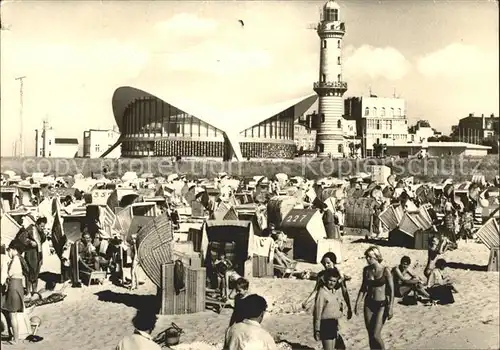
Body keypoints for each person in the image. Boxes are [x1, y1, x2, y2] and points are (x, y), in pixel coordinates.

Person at [354, 246, 394, 350]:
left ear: (376, 257)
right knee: (370, 334)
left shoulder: (385, 270)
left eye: (369, 257)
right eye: (366, 257)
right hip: (369, 304)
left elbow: (391, 290)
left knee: (376, 335)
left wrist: (391, 307)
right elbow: (363, 288)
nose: (367, 259)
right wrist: (357, 303)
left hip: (381, 304)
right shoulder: (366, 270)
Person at [313, 268, 351, 350]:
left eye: (334, 281)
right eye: (330, 280)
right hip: (325, 324)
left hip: (333, 323)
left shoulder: (334, 292)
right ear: (326, 279)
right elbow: (317, 312)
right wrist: (317, 330)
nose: (331, 283)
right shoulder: (322, 292)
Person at [1, 241, 26, 344]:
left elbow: (9, 273)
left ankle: (15, 339)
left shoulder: (15, 259)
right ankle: (14, 337)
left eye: (9, 250)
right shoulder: (19, 259)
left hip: (14, 286)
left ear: (14, 250)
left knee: (12, 314)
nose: (8, 252)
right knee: (13, 314)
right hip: (18, 286)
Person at [16, 216, 47, 297]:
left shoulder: (40, 231)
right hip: (30, 253)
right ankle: (28, 291)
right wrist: (30, 242)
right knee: (29, 272)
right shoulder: (30, 229)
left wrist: (43, 233)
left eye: (44, 226)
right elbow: (21, 237)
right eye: (41, 226)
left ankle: (35, 291)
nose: (43, 228)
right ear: (37, 224)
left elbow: (43, 239)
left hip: (38, 253)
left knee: (36, 272)